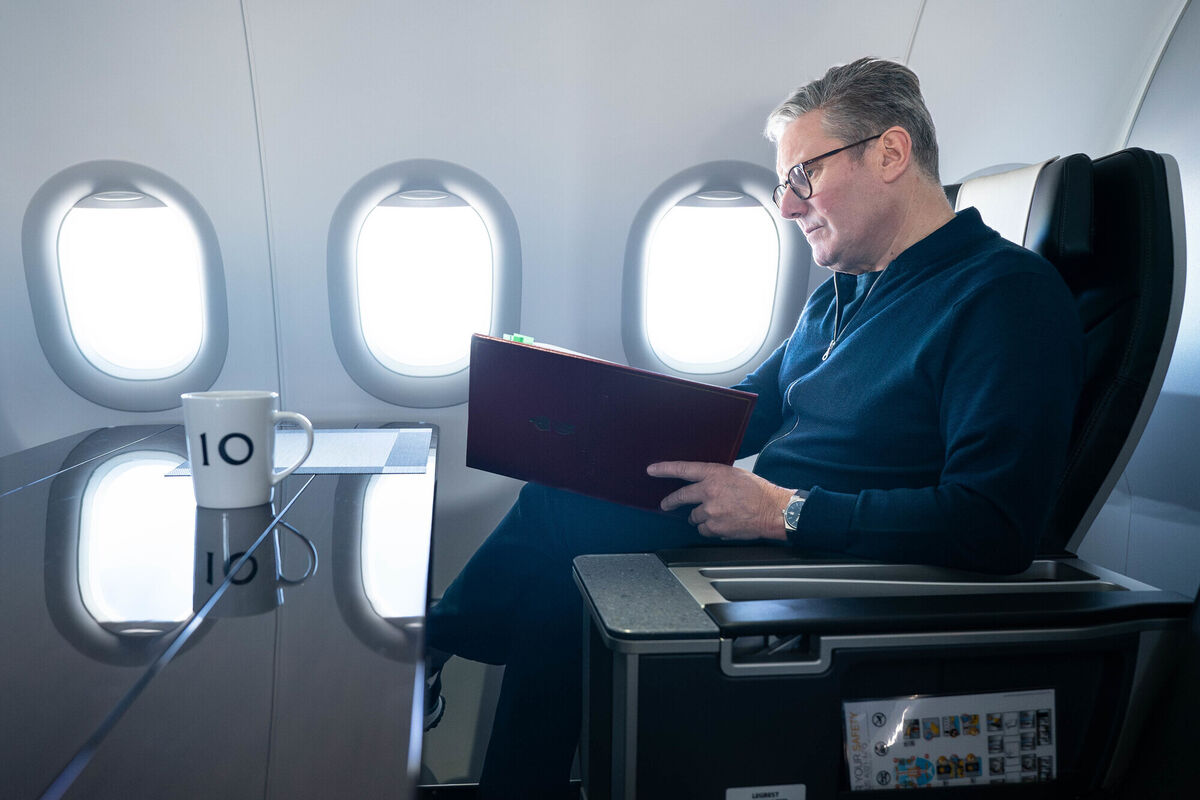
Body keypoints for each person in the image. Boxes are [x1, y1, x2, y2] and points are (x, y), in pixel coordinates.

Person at [425, 57, 1084, 798]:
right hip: (777, 530)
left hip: (832, 562)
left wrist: (782, 511)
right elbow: (744, 410)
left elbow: (995, 523)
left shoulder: (1003, 299)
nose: (787, 205)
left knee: (561, 521)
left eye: (802, 177)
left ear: (890, 153)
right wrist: (590, 403)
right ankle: (487, 737)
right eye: (782, 184)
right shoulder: (845, 293)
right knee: (566, 495)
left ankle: (434, 660)